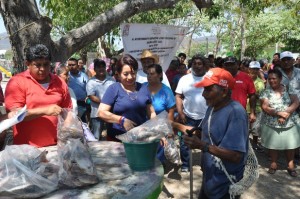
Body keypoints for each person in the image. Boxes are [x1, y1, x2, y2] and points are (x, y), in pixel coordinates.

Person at [173, 67, 248, 198]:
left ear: (224, 91)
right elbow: (206, 134)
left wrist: (202, 146)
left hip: (226, 183)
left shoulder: (236, 113)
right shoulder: (212, 108)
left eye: (208, 89)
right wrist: (176, 127)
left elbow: (236, 156)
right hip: (211, 177)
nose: (203, 94)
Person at [4, 44, 72, 147]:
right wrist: (45, 110)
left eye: (46, 64)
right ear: (28, 64)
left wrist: (66, 132)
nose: (42, 69)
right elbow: (15, 115)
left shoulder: (59, 82)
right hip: (26, 149)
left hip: (57, 146)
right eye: (37, 65)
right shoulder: (17, 82)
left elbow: (68, 111)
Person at [98, 54, 156, 141]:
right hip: (117, 141)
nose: (130, 77)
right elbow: (101, 112)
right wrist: (121, 120)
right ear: (118, 74)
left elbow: (151, 113)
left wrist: (157, 129)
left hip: (139, 139)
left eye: (133, 73)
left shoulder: (144, 88)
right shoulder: (113, 89)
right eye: (125, 74)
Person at [260, 68, 300, 177]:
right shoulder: (266, 91)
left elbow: (296, 102)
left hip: (290, 121)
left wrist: (286, 113)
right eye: (270, 79)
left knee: (290, 145)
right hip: (272, 123)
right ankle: (273, 164)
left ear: (281, 79)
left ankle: (290, 165)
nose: (272, 81)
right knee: (273, 145)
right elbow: (265, 107)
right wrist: (279, 113)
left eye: (275, 78)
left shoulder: (288, 88)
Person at [175, 54, 209, 172]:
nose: (197, 66)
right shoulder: (184, 79)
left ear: (204, 65)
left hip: (206, 117)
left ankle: (206, 164)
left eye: (200, 64)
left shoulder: (209, 78)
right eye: (194, 64)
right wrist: (180, 112)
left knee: (207, 142)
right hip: (188, 116)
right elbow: (178, 96)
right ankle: (185, 164)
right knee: (185, 141)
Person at [144, 63, 176, 163]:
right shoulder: (142, 88)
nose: (149, 76)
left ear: (160, 75)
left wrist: (169, 130)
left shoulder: (166, 91)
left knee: (159, 153)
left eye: (152, 74)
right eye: (148, 74)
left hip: (161, 127)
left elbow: (171, 111)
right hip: (144, 126)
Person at [86, 59, 115, 140]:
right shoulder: (91, 82)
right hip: (96, 114)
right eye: (98, 67)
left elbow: (115, 93)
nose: (101, 69)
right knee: (96, 136)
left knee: (112, 135)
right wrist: (106, 103)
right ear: (95, 69)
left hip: (111, 112)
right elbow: (91, 96)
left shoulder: (111, 80)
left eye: (103, 67)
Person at [222, 56, 256, 123]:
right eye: (227, 65)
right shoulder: (220, 77)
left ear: (237, 65)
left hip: (240, 113)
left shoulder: (246, 77)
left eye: (232, 64)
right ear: (224, 66)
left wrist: (252, 112)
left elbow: (252, 95)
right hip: (223, 112)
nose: (229, 67)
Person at [247, 61, 265, 152]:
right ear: (249, 69)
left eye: (256, 69)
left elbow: (261, 96)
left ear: (259, 70)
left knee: (255, 128)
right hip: (244, 107)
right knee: (245, 127)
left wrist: (252, 94)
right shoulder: (245, 79)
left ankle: (254, 144)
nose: (254, 71)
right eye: (252, 69)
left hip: (257, 108)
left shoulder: (260, 83)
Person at [68, 57, 90, 123]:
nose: (71, 67)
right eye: (69, 65)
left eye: (73, 65)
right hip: (70, 104)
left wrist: (88, 96)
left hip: (82, 103)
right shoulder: (67, 76)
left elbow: (89, 88)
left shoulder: (84, 76)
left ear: (77, 65)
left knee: (82, 124)